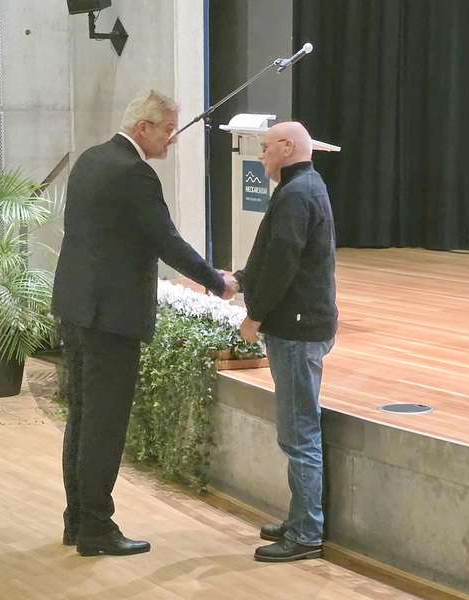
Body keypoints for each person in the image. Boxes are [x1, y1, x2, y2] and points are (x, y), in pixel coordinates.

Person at [52, 90, 237, 557]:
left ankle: (78, 520)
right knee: (105, 424)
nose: (173, 138)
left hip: (75, 309)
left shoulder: (91, 159)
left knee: (82, 416)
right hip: (111, 319)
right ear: (144, 129)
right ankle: (96, 528)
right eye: (168, 129)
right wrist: (218, 282)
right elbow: (167, 242)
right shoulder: (135, 173)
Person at [234, 121, 338, 563]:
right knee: (297, 431)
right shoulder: (303, 186)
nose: (260, 156)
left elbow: (282, 264)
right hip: (301, 325)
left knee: (299, 435)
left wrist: (254, 316)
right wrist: (240, 280)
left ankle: (306, 534)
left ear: (287, 147)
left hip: (297, 330)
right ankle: (300, 518)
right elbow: (270, 251)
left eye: (265, 148)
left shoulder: (297, 193)